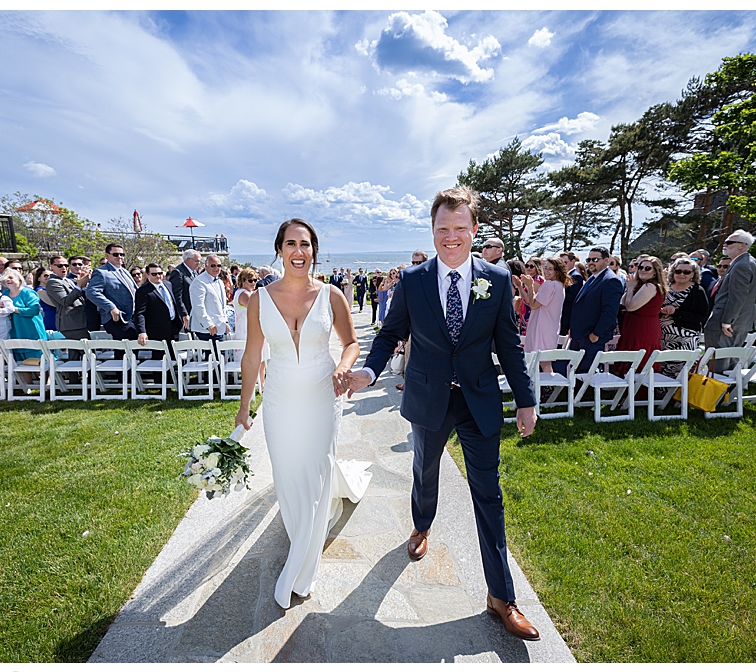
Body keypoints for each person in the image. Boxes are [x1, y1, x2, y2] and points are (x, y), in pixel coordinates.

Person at [346, 186, 541, 642]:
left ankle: (500, 596)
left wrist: (526, 399)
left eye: (459, 228)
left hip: (478, 400)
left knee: (488, 494)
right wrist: (371, 371)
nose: (450, 237)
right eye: (442, 229)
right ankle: (421, 524)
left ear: (473, 229)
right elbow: (389, 331)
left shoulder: (495, 278)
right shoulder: (413, 281)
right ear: (432, 231)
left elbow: (509, 345)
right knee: (424, 469)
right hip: (430, 397)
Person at [234, 218, 370, 610]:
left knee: (316, 471)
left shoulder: (332, 296)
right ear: (279, 249)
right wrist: (245, 407)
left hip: (321, 395)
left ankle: (301, 564)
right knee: (287, 473)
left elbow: (352, 343)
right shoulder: (259, 299)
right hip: (278, 399)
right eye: (291, 243)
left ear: (314, 250)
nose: (299, 251)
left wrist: (344, 366)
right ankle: (302, 532)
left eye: (306, 244)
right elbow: (251, 355)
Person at [704, 230, 756, 367]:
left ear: (742, 245)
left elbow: (738, 296)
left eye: (729, 242)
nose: (724, 245)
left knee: (718, 364)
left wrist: (726, 321)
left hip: (728, 322)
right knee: (730, 362)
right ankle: (728, 388)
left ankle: (717, 389)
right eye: (724, 242)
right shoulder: (749, 262)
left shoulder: (742, 265)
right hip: (740, 321)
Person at [568, 247, 624, 374]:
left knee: (586, 374)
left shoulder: (611, 280)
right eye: (588, 260)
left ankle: (585, 394)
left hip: (592, 336)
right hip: (580, 334)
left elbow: (609, 312)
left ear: (606, 260)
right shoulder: (593, 278)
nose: (590, 262)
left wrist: (596, 334)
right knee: (575, 371)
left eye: (595, 259)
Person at [611, 255, 666, 376]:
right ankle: (627, 391)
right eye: (640, 267)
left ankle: (637, 392)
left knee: (638, 361)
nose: (642, 270)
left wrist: (630, 289)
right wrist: (630, 287)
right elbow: (623, 302)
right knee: (630, 359)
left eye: (647, 268)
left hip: (643, 328)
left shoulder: (650, 286)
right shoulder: (641, 285)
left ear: (655, 272)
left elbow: (631, 307)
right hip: (633, 326)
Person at [659, 257, 710, 377]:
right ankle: (658, 395)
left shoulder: (698, 291)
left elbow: (702, 316)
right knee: (661, 367)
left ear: (693, 274)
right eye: (678, 271)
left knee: (678, 371)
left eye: (686, 272)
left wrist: (676, 312)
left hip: (686, 338)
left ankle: (677, 394)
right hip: (662, 335)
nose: (682, 274)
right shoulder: (665, 287)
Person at [521, 257, 572, 371]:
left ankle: (546, 387)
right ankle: (545, 386)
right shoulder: (559, 285)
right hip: (550, 326)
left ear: (557, 271)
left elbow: (533, 304)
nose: (546, 272)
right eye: (545, 268)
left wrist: (529, 286)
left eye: (550, 269)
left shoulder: (549, 284)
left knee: (541, 361)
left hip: (542, 326)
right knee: (545, 362)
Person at [86, 243, 139, 347]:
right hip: (117, 318)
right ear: (107, 256)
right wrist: (111, 307)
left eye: (122, 254)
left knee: (133, 350)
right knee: (125, 352)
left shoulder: (125, 271)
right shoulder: (101, 272)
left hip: (132, 317)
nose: (119, 257)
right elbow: (92, 292)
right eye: (115, 254)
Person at [134, 263, 182, 361]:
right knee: (158, 360)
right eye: (154, 274)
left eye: (160, 273)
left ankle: (172, 377)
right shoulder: (143, 291)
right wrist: (142, 332)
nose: (158, 276)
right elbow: (140, 313)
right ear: (147, 275)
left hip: (173, 328)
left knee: (173, 359)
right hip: (157, 331)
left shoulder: (168, 285)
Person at [46, 255, 90, 359]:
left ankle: (75, 375)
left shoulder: (67, 280)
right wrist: (79, 286)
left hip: (78, 322)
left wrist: (83, 286)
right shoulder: (53, 282)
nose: (64, 268)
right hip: (71, 324)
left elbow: (79, 297)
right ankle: (85, 375)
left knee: (75, 356)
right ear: (51, 266)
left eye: (66, 265)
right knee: (87, 354)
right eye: (60, 265)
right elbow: (65, 301)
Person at [1, 268, 47, 363]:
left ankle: (46, 378)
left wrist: (15, 309)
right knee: (21, 362)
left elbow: (34, 310)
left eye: (11, 278)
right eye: (6, 279)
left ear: (19, 280)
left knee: (40, 361)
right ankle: (26, 379)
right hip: (15, 331)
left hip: (31, 330)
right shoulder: (4, 294)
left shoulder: (28, 293)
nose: (8, 280)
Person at [190, 254, 229, 344]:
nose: (216, 268)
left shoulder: (219, 281)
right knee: (213, 356)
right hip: (206, 329)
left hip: (219, 327)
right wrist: (208, 324)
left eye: (219, 265)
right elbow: (198, 306)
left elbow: (222, 305)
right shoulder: (199, 282)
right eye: (213, 265)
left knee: (220, 356)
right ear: (206, 266)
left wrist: (225, 321)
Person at [168, 249, 201, 332]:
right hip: (187, 313)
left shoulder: (194, 272)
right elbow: (177, 296)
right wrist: (184, 313)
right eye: (196, 261)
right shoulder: (178, 272)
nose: (198, 263)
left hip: (195, 311)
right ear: (188, 260)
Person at [559, 252, 584, 337]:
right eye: (561, 263)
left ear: (573, 261)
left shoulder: (576, 276)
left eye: (565, 263)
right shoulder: (564, 275)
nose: (563, 265)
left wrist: (557, 295)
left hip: (568, 315)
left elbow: (573, 297)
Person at [30, 266, 58, 331]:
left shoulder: (50, 289)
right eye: (46, 276)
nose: (49, 278)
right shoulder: (40, 291)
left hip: (56, 317)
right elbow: (54, 304)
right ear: (39, 278)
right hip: (50, 318)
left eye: (51, 276)